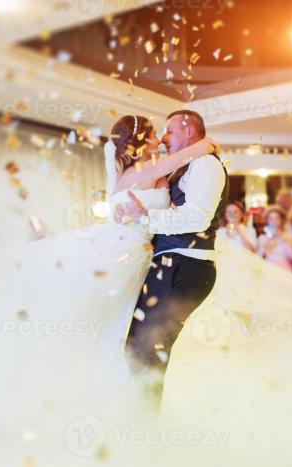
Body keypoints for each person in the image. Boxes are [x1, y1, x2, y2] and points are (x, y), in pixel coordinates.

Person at [117, 110, 228, 371]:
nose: (165, 138)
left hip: (185, 266)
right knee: (138, 347)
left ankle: (145, 412)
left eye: (169, 131)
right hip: (170, 264)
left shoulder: (206, 165)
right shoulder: (184, 165)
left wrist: (146, 217)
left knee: (149, 350)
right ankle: (138, 409)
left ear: (189, 131)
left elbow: (198, 218)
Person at [257, 206, 292, 272]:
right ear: (267, 221)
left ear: (281, 221)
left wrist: (282, 237)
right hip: (268, 270)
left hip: (284, 270)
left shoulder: (288, 236)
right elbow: (258, 256)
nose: (274, 222)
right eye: (271, 219)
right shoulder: (262, 237)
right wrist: (267, 242)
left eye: (277, 219)